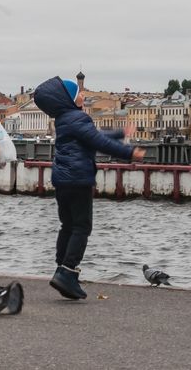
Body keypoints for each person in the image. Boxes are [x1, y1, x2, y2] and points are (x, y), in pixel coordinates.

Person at [33, 75, 146, 300]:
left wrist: (121, 133)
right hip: (78, 179)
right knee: (82, 227)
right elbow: (98, 142)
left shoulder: (66, 119)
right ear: (68, 99)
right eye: (78, 94)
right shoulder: (78, 118)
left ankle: (61, 269)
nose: (83, 96)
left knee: (68, 225)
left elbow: (93, 136)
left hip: (62, 180)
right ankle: (68, 272)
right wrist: (129, 153)